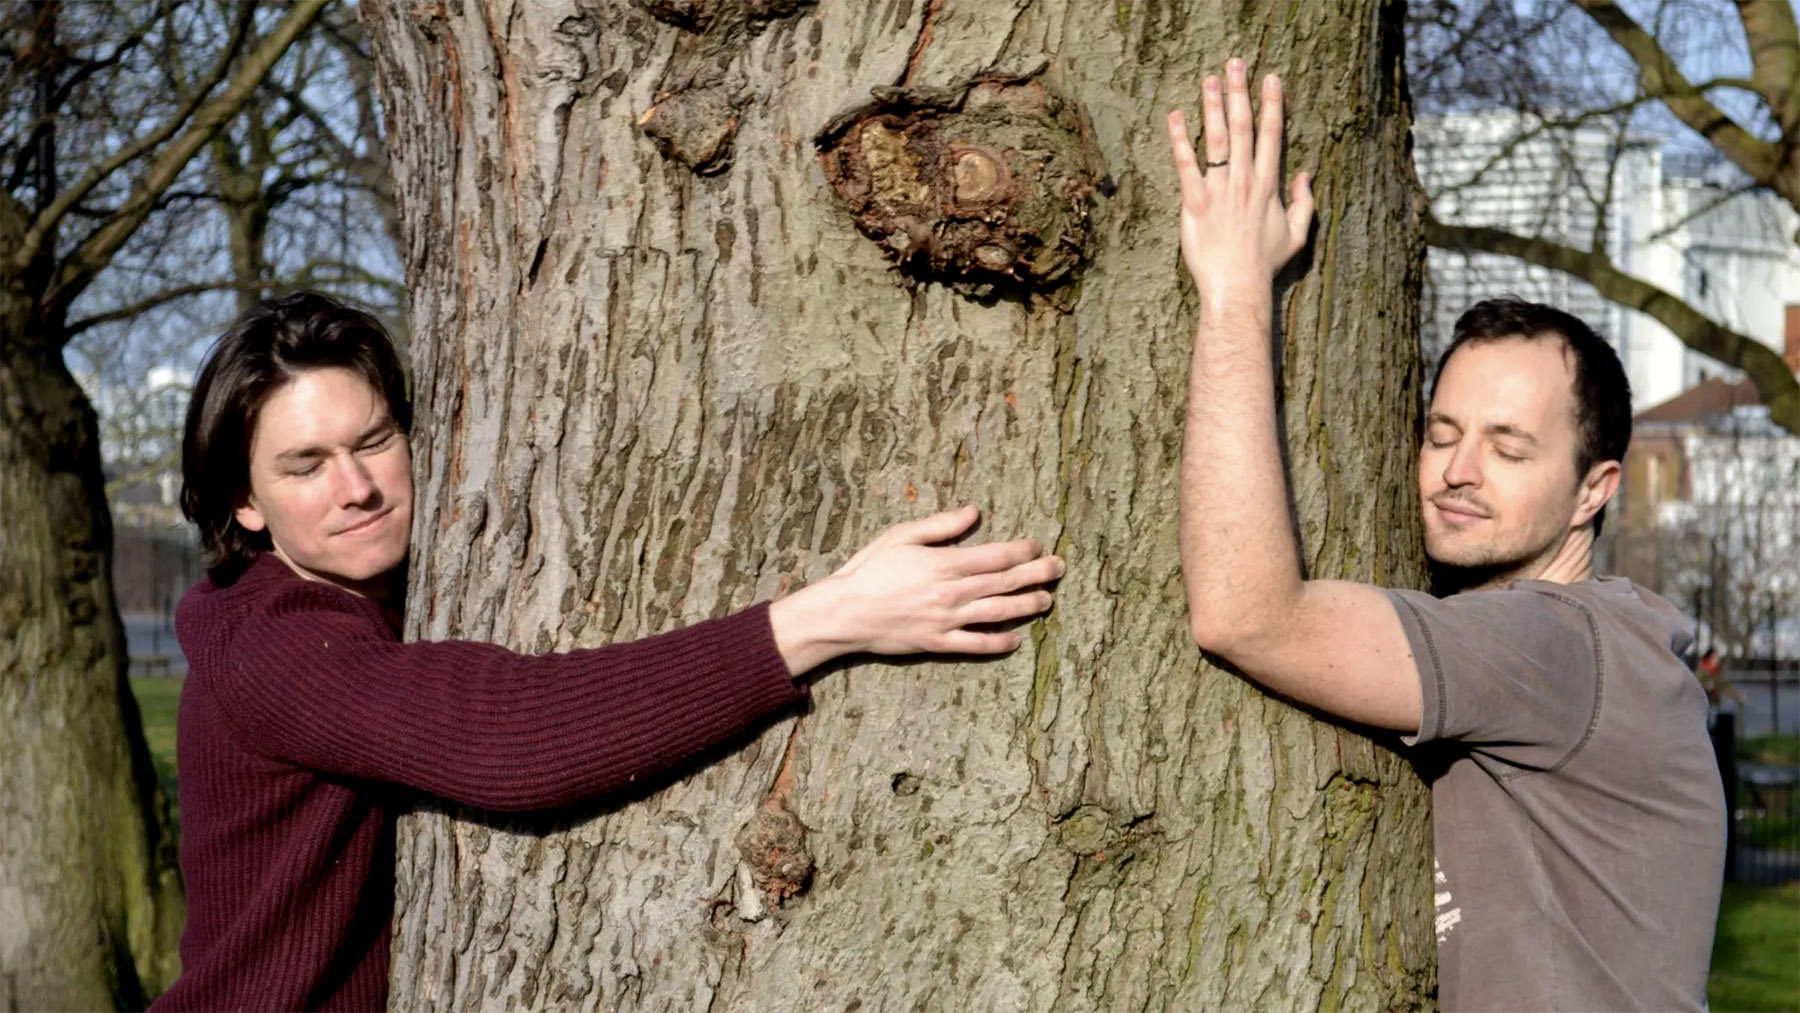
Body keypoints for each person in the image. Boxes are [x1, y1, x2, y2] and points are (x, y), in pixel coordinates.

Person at [153, 293, 1064, 1010]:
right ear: (245, 502)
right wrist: (828, 618)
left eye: (374, 442)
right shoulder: (273, 641)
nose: (354, 487)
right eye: (305, 465)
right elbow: (508, 737)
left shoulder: (364, 606)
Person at [1165, 60, 1724, 1010]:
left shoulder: (1556, 642)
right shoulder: (1597, 650)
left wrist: (1234, 293)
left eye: (1510, 449)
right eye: (1443, 433)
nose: (1459, 470)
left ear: (1595, 488)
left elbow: (1246, 614)